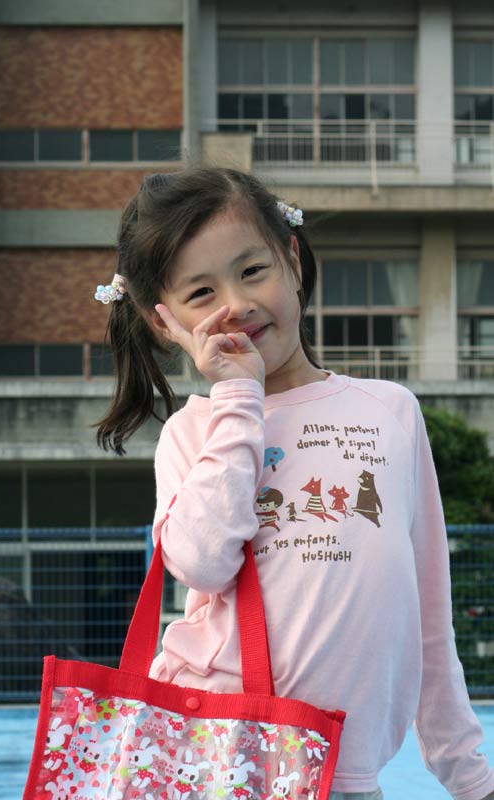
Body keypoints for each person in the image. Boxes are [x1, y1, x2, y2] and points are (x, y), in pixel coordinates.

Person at [94, 167, 494, 800]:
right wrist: (238, 398)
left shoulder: (389, 411)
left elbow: (427, 619)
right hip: (222, 758)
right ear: (163, 321)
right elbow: (200, 564)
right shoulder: (195, 432)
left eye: (253, 271)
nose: (236, 303)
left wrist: (470, 777)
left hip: (346, 773)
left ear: (292, 260)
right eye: (202, 292)